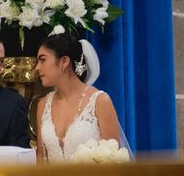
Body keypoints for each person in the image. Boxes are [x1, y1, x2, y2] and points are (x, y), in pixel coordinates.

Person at [35, 27, 122, 162]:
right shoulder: (42, 105)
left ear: (64, 61)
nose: (38, 67)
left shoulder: (100, 102)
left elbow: (114, 159)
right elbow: (41, 158)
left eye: (42, 60)